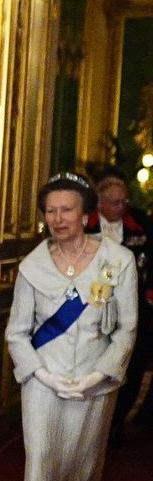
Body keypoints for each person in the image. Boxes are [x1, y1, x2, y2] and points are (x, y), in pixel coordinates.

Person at [6, 172, 137, 481]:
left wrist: (99, 375)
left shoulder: (117, 262)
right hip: (43, 383)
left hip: (94, 386)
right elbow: (17, 333)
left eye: (66, 210)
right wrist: (40, 374)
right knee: (41, 468)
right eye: (50, 211)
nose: (58, 218)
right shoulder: (32, 266)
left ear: (86, 213)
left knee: (81, 473)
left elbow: (125, 329)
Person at [86, 168, 151, 445]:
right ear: (100, 203)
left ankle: (115, 421)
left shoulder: (140, 222)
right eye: (116, 202)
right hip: (91, 307)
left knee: (131, 366)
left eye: (124, 201)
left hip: (133, 306)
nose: (122, 207)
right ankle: (91, 423)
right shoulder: (83, 224)